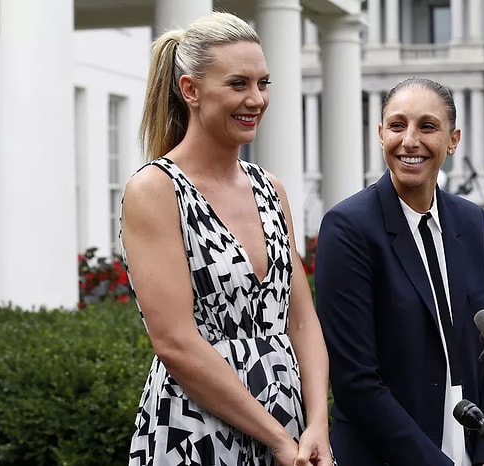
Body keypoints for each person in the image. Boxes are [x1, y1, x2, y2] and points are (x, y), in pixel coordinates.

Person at [119, 11, 334, 466]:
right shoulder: (156, 190)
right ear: (190, 90)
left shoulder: (270, 188)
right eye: (238, 84)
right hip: (197, 434)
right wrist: (276, 438)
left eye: (263, 83)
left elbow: (302, 321)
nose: (255, 99)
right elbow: (174, 342)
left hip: (291, 431)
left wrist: (317, 424)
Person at [314, 77, 484, 465]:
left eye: (427, 126)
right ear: (380, 134)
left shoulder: (473, 223)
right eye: (397, 125)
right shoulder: (348, 228)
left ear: (452, 140)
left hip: (474, 444)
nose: (409, 140)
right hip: (387, 453)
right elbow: (355, 381)